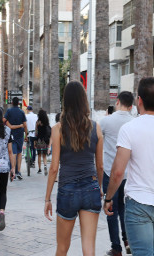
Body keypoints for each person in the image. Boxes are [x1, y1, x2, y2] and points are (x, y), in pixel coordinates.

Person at [44, 81, 103, 256]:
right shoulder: (95, 127)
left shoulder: (58, 129)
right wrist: (98, 187)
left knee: (62, 248)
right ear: (84, 100)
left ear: (66, 101)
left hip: (67, 189)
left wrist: (47, 198)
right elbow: (100, 165)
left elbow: (54, 168)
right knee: (89, 249)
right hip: (91, 187)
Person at [104, 77, 154, 256]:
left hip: (138, 203)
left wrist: (108, 198)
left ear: (139, 100)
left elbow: (118, 172)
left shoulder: (130, 128)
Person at [100, 91, 134, 256]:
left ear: (117, 102)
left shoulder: (106, 121)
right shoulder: (134, 121)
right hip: (129, 173)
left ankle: (116, 248)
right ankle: (127, 240)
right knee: (123, 209)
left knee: (111, 209)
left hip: (110, 172)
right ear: (132, 106)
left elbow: (99, 143)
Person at [4, 97, 27, 180]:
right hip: (20, 135)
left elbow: (4, 120)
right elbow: (25, 124)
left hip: (11, 134)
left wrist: (9, 125)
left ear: (12, 103)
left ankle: (12, 170)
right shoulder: (21, 112)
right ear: (18, 103)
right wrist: (26, 135)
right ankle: (18, 171)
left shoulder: (9, 111)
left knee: (13, 152)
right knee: (19, 152)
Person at [35, 109, 51, 176]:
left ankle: (39, 169)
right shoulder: (46, 122)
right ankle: (45, 165)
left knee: (39, 155)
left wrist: (35, 140)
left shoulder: (38, 122)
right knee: (44, 155)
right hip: (45, 140)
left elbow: (36, 132)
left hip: (39, 140)